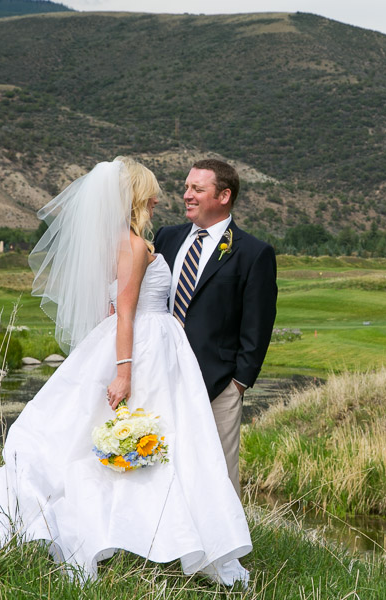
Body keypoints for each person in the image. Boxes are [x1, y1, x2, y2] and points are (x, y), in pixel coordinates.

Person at [0, 158, 251, 585]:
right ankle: (152, 533)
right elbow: (125, 318)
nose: (160, 199)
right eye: (152, 193)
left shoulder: (115, 243)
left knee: (137, 443)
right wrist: (123, 372)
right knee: (162, 445)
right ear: (135, 197)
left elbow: (109, 308)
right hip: (146, 350)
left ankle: (146, 531)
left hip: (148, 346)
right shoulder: (135, 246)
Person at [154, 159, 277, 498]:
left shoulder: (253, 253)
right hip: (161, 374)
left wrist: (238, 383)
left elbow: (258, 323)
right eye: (186, 187)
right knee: (160, 463)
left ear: (223, 195)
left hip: (218, 383)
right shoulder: (167, 237)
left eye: (197, 189)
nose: (186, 195)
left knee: (218, 473)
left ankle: (224, 549)